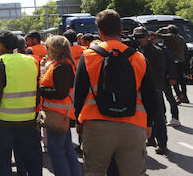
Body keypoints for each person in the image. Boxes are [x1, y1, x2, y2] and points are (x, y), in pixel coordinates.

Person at [74, 10, 157, 176]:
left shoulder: (88, 55)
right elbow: (150, 96)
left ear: (100, 32)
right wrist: (149, 124)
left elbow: (80, 93)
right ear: (121, 29)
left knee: (95, 172)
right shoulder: (139, 58)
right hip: (133, 125)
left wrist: (78, 120)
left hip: (96, 125)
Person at [0, 31, 42, 176]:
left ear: (1, 45)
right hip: (28, 121)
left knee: (4, 163)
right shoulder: (31, 61)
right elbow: (37, 91)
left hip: (4, 122)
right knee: (28, 160)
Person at [39, 35, 81, 176]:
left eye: (47, 47)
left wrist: (40, 90)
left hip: (57, 115)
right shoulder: (62, 64)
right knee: (67, 150)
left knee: (57, 152)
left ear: (53, 49)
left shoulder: (61, 66)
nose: (46, 50)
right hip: (62, 114)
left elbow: (60, 92)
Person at [133, 27, 168, 154]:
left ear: (147, 36)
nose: (139, 39)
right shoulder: (132, 50)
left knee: (158, 116)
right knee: (143, 115)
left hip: (154, 87)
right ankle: (151, 138)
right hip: (138, 87)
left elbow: (160, 69)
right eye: (136, 36)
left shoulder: (156, 50)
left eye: (141, 35)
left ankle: (162, 143)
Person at [148, 32, 180, 127]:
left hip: (165, 78)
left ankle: (175, 117)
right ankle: (163, 117)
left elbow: (170, 64)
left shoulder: (163, 50)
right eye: (148, 39)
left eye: (152, 39)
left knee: (170, 97)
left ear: (156, 39)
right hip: (155, 79)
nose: (151, 41)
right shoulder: (147, 50)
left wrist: (172, 77)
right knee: (159, 100)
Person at [156, 25, 189, 104]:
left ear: (169, 30)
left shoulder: (169, 36)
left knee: (173, 78)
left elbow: (156, 35)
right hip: (181, 60)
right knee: (182, 79)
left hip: (173, 60)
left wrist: (162, 28)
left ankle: (179, 95)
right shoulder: (181, 38)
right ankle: (184, 96)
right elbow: (186, 50)